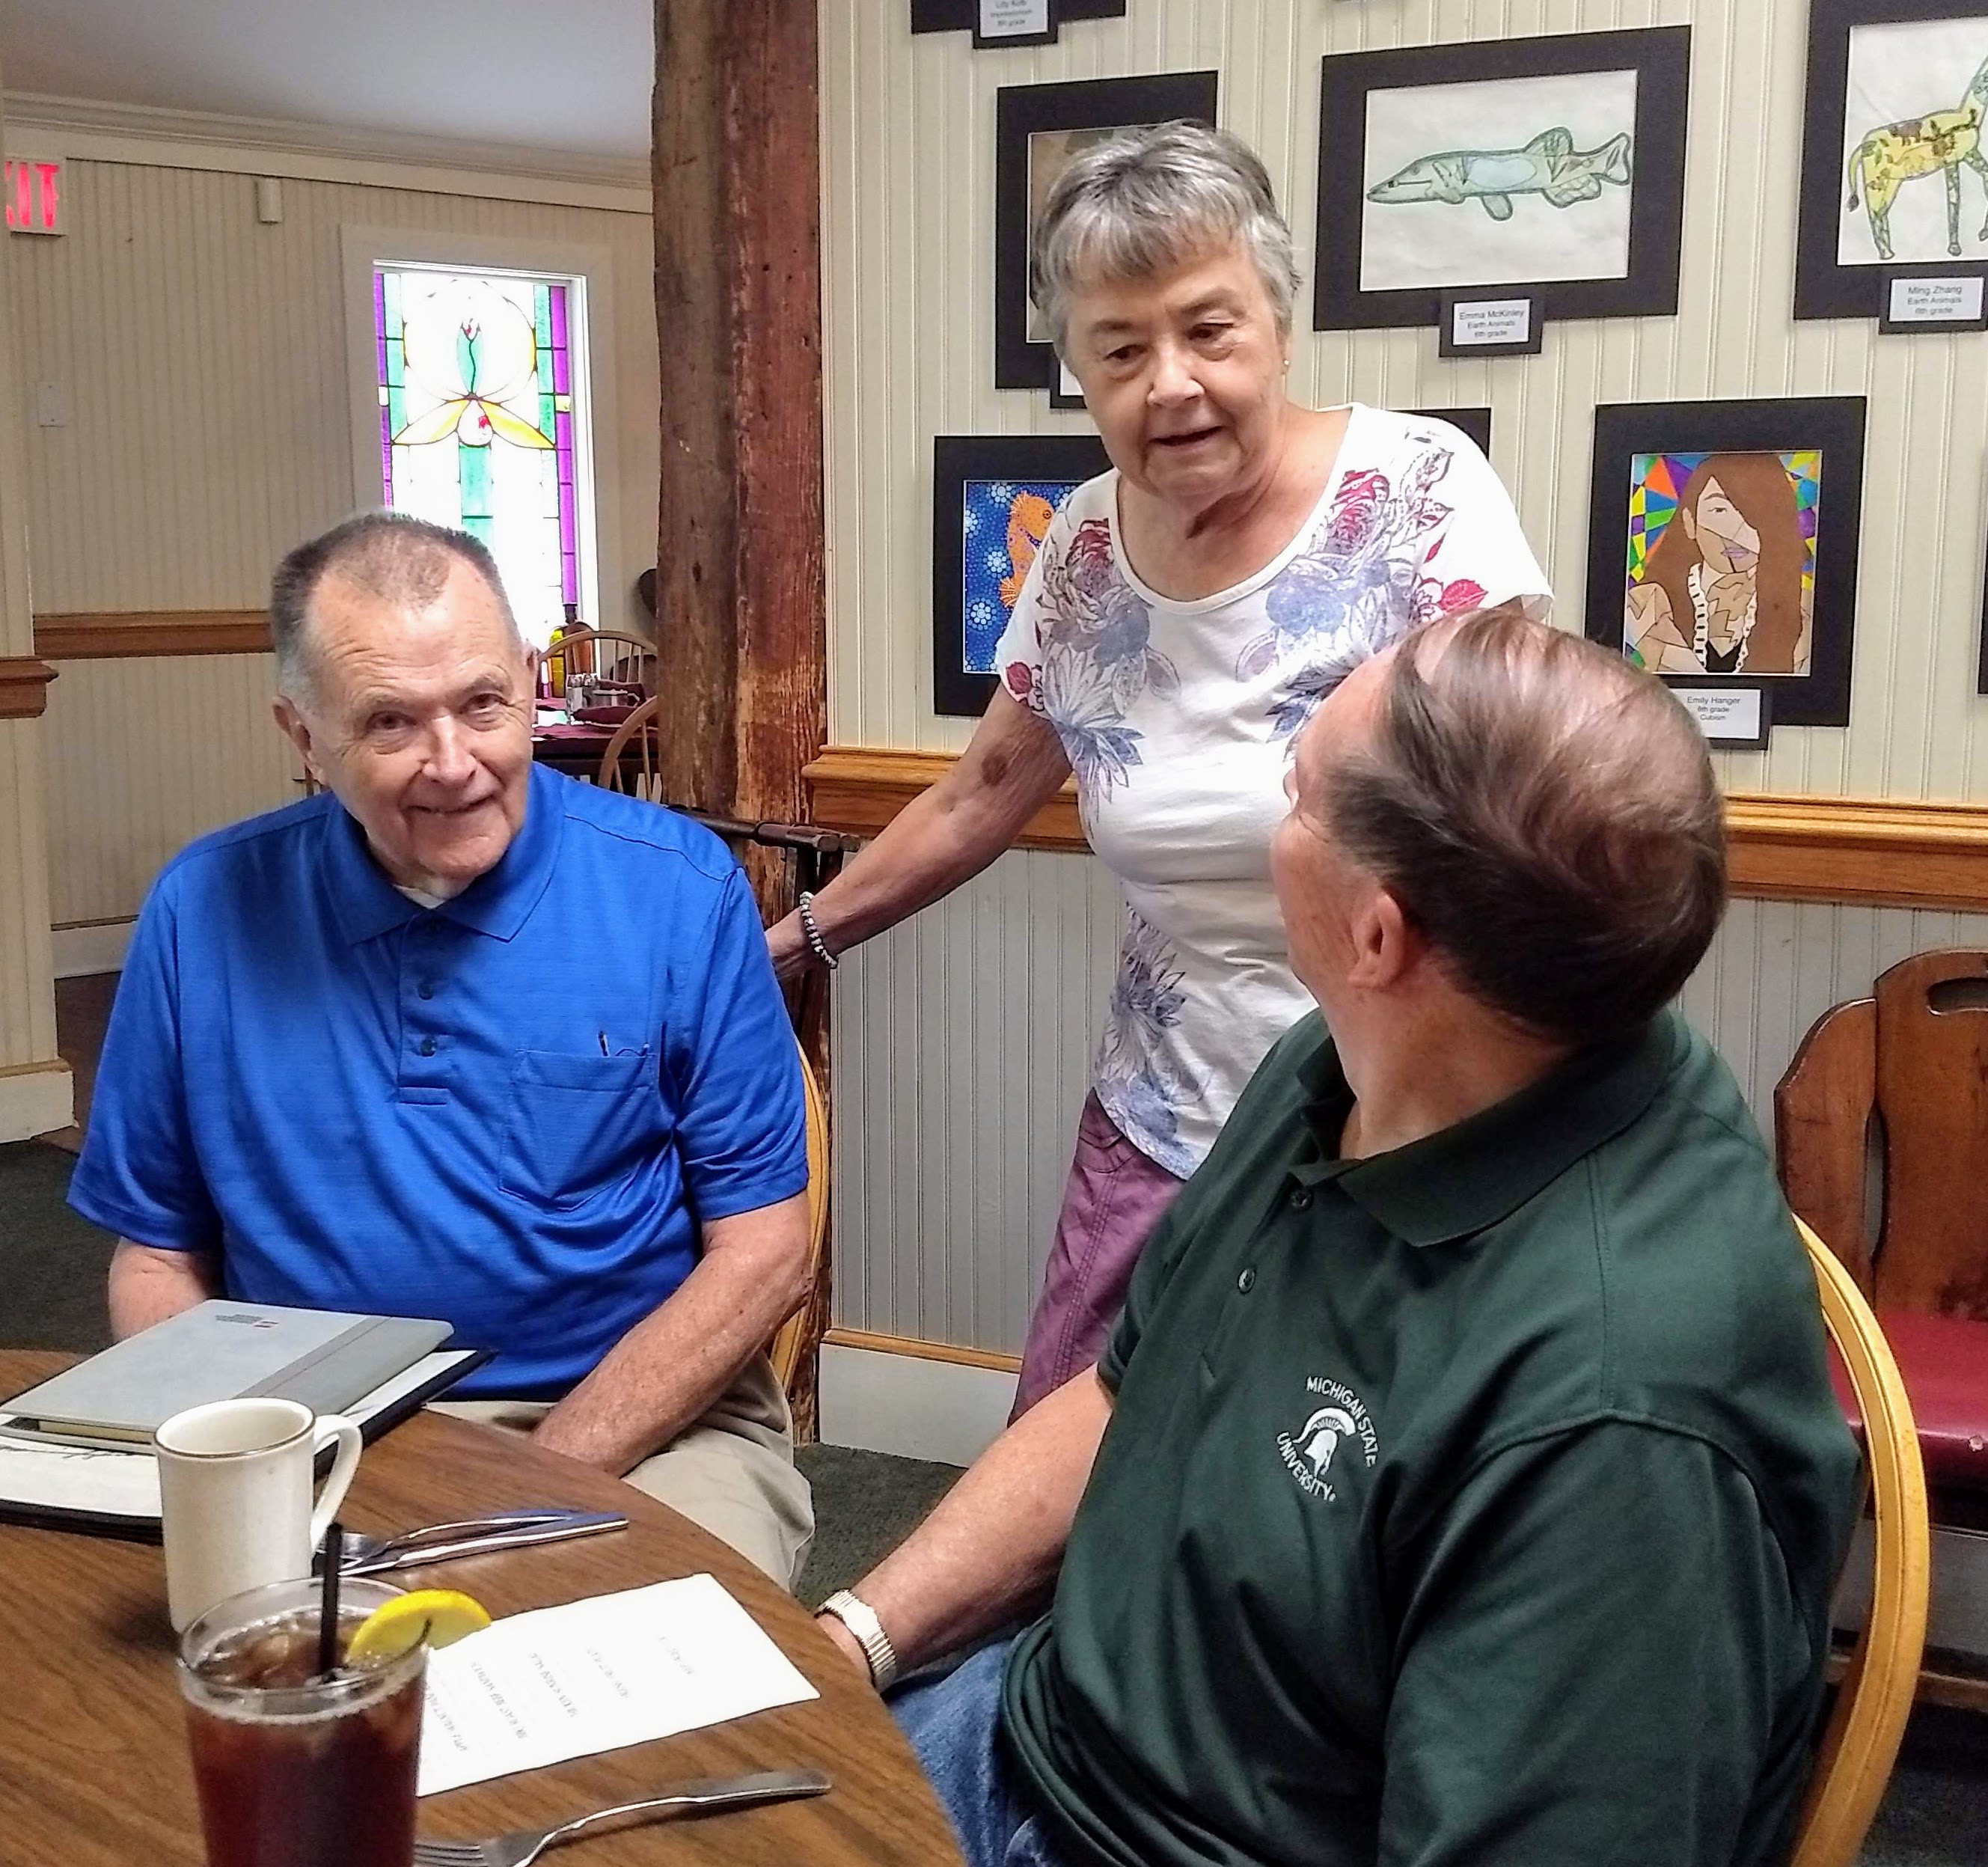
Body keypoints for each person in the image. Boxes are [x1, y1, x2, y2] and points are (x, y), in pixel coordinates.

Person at [813, 606, 1864, 1867]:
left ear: (1377, 932)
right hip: (1029, 1729)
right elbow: (1119, 1400)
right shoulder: (1345, 1066)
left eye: (1298, 789)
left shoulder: (1617, 1423)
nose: (1274, 806)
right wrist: (850, 1643)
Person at [768, 121, 1550, 1417]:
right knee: (1070, 1459)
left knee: (1321, 1490)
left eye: (1209, 330)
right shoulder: (1082, 547)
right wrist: (792, 945)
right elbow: (979, 793)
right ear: (1076, 369)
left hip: (1399, 1127)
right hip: (1160, 1116)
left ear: (1278, 323)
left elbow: (1514, 811)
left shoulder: (1419, 491)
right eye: (1120, 349)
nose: (1170, 383)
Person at [69, 513, 815, 1586]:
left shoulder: (679, 891)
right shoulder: (203, 910)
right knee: (140, 1650)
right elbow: (156, 1255)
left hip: (642, 1421)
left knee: (651, 1659)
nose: (453, 764)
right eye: (390, 722)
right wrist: (239, 1459)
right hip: (312, 1431)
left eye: (482, 704)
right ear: (303, 736)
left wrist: (516, 1489)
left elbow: (765, 1252)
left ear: (527, 680)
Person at [1625, 452, 1811, 676]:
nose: (1736, 530)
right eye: (1719, 510)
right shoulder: (1645, 604)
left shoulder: (1805, 610)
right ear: (1689, 522)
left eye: (1754, 511)